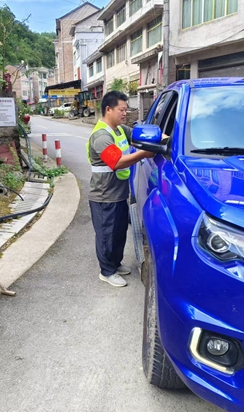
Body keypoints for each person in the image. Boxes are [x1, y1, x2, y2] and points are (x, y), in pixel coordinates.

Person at [86, 91, 155, 287]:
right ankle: (106, 271)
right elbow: (116, 162)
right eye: (121, 110)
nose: (125, 113)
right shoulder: (101, 135)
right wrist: (143, 154)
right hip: (103, 195)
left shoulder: (119, 130)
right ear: (108, 110)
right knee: (107, 235)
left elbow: (139, 136)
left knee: (118, 232)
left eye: (127, 109)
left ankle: (115, 264)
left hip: (118, 193)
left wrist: (165, 138)